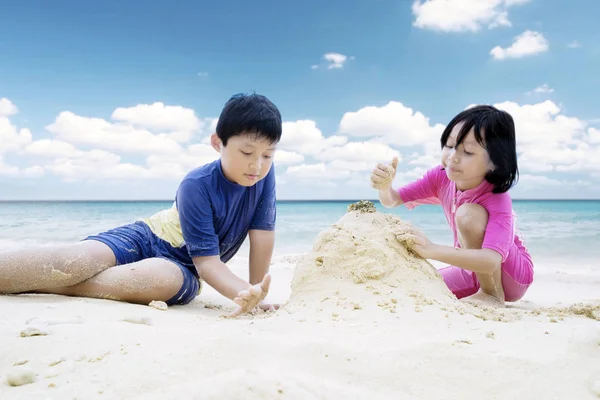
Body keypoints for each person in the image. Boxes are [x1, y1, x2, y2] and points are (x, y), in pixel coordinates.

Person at [0, 93, 282, 317]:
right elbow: (209, 261)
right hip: (145, 237)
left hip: (184, 269)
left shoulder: (263, 180)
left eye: (268, 155)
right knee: (72, 261)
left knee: (159, 280)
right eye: (247, 152)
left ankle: (53, 285)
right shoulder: (197, 183)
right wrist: (243, 291)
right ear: (217, 143)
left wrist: (255, 292)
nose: (257, 165)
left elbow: (261, 239)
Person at [370, 105, 534, 307]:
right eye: (449, 145)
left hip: (510, 274)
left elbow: (491, 260)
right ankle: (478, 289)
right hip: (470, 268)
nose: (453, 156)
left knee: (468, 214)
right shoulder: (440, 177)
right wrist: (385, 187)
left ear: (495, 162)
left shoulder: (497, 196)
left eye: (468, 151)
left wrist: (430, 249)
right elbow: (392, 200)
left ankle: (491, 294)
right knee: (414, 286)